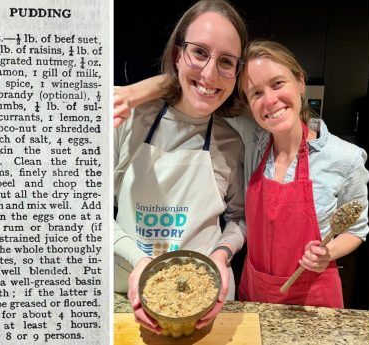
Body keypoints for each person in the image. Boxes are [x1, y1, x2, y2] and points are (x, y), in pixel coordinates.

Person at [116, 40, 369, 309]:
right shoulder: (251, 140)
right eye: (256, 93)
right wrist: (131, 94)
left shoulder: (346, 158)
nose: (270, 101)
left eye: (278, 83)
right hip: (255, 293)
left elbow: (356, 230)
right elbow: (200, 85)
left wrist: (327, 253)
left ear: (300, 82)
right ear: (248, 103)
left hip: (314, 301)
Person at [112, 0, 247, 334]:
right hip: (123, 293)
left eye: (226, 61)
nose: (210, 74)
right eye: (199, 53)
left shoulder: (232, 142)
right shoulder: (131, 120)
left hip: (204, 302)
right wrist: (139, 262)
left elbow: (240, 219)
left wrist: (220, 256)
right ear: (177, 54)